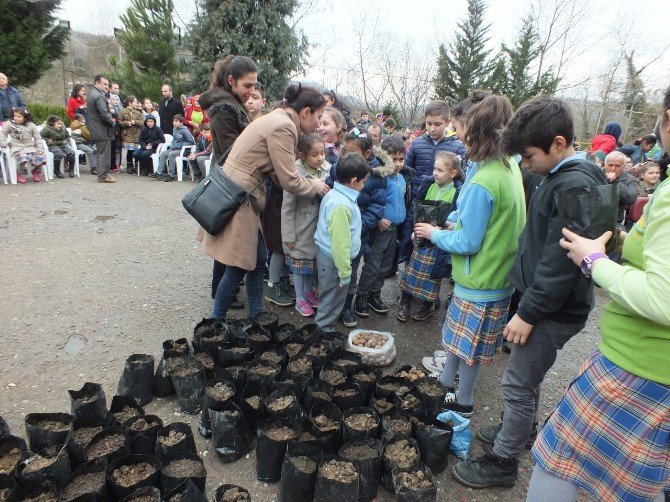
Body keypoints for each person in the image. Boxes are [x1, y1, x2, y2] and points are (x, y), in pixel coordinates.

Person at [450, 95, 608, 489]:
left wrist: (528, 313)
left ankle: (502, 462)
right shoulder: (571, 177)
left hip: (550, 310)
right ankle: (517, 431)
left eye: (529, 155)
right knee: (529, 378)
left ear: (558, 143)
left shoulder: (573, 187)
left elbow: (560, 266)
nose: (525, 164)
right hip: (546, 304)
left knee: (517, 383)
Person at [525, 84, 670, 502]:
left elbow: (662, 297)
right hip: (650, 368)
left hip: (641, 366)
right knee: (638, 483)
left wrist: (595, 262)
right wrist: (624, 241)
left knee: (558, 459)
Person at [414, 94, 526, 417]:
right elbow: (487, 224)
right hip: (495, 275)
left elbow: (468, 242)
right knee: (459, 342)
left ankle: (461, 403)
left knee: (471, 351)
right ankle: (446, 382)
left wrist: (435, 233)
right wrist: (457, 221)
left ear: (476, 132)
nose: (456, 134)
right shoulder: (507, 167)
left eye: (460, 128)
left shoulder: (485, 182)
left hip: (480, 279)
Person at [200, 82, 330, 321]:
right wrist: (314, 185)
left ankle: (256, 318)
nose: (318, 125)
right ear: (306, 112)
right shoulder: (284, 127)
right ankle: (215, 323)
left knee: (257, 262)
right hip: (240, 196)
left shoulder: (278, 118)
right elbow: (290, 180)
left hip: (242, 192)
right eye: (319, 118)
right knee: (239, 265)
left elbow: (277, 173)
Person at [198, 55, 258, 310]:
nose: (251, 91)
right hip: (228, 182)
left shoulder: (232, 104)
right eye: (247, 85)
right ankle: (221, 293)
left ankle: (223, 289)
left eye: (254, 85)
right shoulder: (224, 109)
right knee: (226, 242)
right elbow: (230, 149)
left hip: (231, 179)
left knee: (226, 240)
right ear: (231, 80)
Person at [327, 129, 389, 328]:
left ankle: (346, 306)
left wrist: (357, 226)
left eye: (352, 153)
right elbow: (328, 192)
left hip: (359, 234)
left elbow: (377, 207)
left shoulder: (376, 177)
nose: (346, 157)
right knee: (334, 269)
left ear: (368, 154)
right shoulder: (338, 169)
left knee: (351, 271)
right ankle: (331, 304)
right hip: (336, 231)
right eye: (343, 152)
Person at [399, 151, 460, 323]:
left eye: (440, 170)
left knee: (433, 275)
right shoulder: (429, 186)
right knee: (412, 269)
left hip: (440, 243)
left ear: (452, 173)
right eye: (434, 169)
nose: (434, 173)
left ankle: (428, 302)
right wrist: (414, 231)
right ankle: (405, 300)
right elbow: (418, 212)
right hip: (421, 238)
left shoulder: (456, 193)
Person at [355, 133, 410, 318]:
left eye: (401, 159)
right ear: (383, 157)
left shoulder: (401, 179)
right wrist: (377, 219)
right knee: (372, 266)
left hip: (394, 231)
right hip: (378, 231)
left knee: (384, 267)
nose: (398, 164)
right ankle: (361, 296)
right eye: (393, 159)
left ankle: (374, 294)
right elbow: (364, 200)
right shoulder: (377, 177)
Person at [315, 152, 370, 332]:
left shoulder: (336, 195)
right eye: (363, 181)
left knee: (330, 295)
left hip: (331, 258)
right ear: (354, 180)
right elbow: (340, 243)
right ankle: (324, 334)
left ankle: (325, 328)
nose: (364, 185)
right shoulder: (341, 205)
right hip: (335, 261)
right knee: (332, 298)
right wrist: (345, 272)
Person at [282, 133, 330, 316]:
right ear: (303, 155)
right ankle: (300, 298)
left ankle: (309, 293)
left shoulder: (328, 168)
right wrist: (287, 235)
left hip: (318, 228)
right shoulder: (295, 173)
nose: (320, 158)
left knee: (312, 265)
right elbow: (286, 207)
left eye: (322, 153)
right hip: (300, 229)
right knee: (300, 266)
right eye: (314, 155)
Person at [405, 100, 467, 198]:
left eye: (437, 124)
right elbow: (406, 170)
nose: (432, 129)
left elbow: (462, 177)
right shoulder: (417, 144)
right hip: (416, 202)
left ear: (447, 122)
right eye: (429, 124)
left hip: (445, 203)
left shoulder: (457, 148)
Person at [0, 108, 45, 183]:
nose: (16, 118)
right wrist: (3, 142)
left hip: (30, 147)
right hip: (17, 147)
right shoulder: (9, 124)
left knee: (41, 156)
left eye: (19, 116)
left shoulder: (31, 125)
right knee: (24, 157)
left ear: (25, 117)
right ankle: (19, 173)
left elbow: (38, 138)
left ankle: (36, 171)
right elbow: (2, 133)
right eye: (15, 116)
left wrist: (40, 149)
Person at [87, 75, 116, 183]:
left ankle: (102, 175)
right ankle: (103, 176)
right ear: (97, 83)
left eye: (107, 84)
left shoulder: (91, 93)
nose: (107, 86)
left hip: (95, 128)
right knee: (104, 153)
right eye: (104, 84)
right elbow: (104, 114)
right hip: (102, 129)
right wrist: (112, 123)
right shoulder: (99, 95)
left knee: (101, 152)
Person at [151, 114, 194, 182]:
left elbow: (191, 142)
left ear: (181, 123)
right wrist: (172, 145)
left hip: (184, 151)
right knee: (163, 153)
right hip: (174, 149)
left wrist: (180, 145)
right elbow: (175, 140)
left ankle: (171, 174)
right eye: (174, 121)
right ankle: (159, 172)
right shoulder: (174, 129)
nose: (174, 123)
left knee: (171, 154)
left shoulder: (185, 131)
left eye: (176, 121)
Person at [604, 150, 638, 223]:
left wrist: (615, 181)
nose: (613, 169)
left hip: (615, 220)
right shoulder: (597, 174)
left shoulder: (629, 179)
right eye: (610, 165)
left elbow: (631, 199)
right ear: (605, 164)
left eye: (617, 166)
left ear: (623, 166)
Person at [118, 96, 144, 174]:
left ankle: (136, 165)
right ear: (130, 103)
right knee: (130, 151)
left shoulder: (138, 112)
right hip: (127, 134)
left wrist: (135, 122)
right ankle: (129, 165)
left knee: (136, 150)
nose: (136, 103)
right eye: (135, 102)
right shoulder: (123, 111)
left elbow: (142, 123)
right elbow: (119, 121)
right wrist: (126, 123)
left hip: (136, 134)